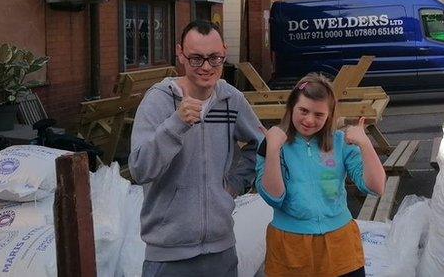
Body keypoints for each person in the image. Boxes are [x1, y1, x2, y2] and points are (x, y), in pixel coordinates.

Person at [129, 20, 264, 277]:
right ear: (180, 54)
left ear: (224, 51)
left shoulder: (231, 100)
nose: (206, 67)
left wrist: (235, 184)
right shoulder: (159, 100)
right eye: (196, 59)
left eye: (215, 58)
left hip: (222, 251)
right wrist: (176, 124)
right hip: (168, 254)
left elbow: (260, 144)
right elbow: (138, 168)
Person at [256, 73, 386, 277]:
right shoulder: (272, 142)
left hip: (340, 245)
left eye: (318, 115)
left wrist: (365, 143)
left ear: (329, 115)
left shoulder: (341, 143)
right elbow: (274, 197)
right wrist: (273, 149)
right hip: (290, 247)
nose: (309, 120)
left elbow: (376, 186)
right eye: (303, 111)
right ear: (291, 108)